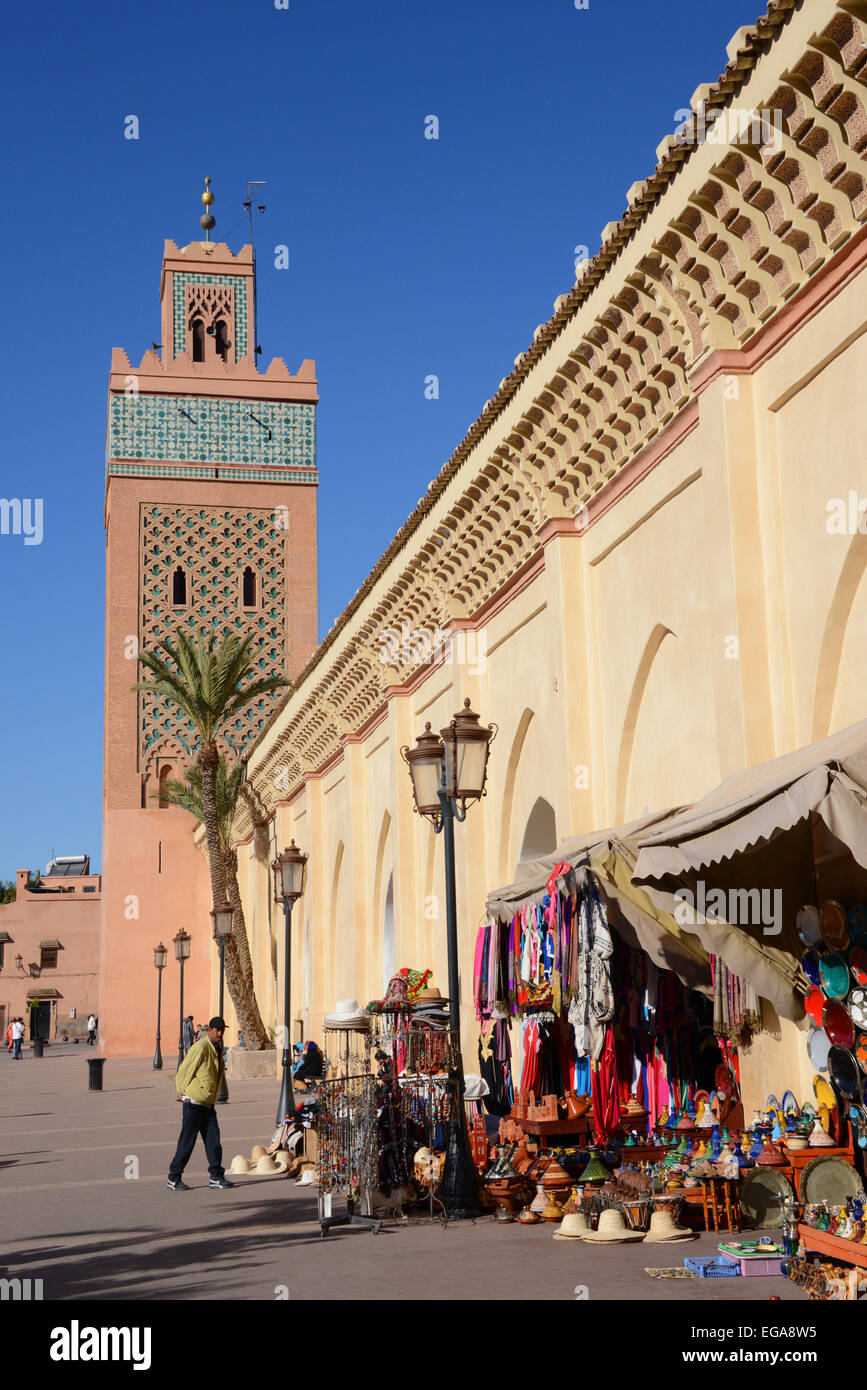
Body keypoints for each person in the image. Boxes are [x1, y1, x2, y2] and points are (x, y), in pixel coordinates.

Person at [166, 1016, 233, 1191]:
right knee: (187, 1142)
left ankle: (216, 1176)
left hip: (208, 1104)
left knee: (214, 1141)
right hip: (194, 1103)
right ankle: (174, 1177)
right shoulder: (201, 1048)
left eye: (222, 1030)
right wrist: (181, 1092)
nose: (220, 1033)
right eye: (217, 1030)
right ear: (209, 1030)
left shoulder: (217, 1049)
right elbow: (184, 1070)